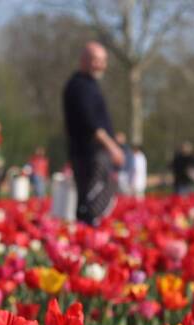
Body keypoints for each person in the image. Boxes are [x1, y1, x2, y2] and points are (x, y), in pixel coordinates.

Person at [62, 42, 124, 225]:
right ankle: (88, 234)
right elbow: (91, 123)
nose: (101, 65)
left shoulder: (90, 85)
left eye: (103, 61)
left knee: (92, 199)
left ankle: (88, 232)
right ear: (83, 61)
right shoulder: (80, 86)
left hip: (92, 152)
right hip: (90, 154)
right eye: (96, 60)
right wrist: (112, 147)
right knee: (92, 199)